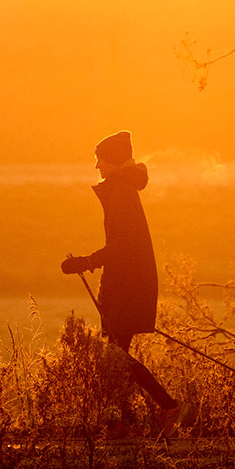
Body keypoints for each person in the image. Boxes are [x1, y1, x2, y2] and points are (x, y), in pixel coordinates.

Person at [61, 131, 181, 437]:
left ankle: (162, 408)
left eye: (100, 159)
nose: (97, 166)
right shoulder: (122, 189)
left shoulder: (123, 192)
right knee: (115, 357)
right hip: (126, 281)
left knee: (114, 356)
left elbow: (124, 243)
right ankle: (123, 424)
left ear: (112, 161)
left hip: (128, 284)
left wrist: (88, 261)